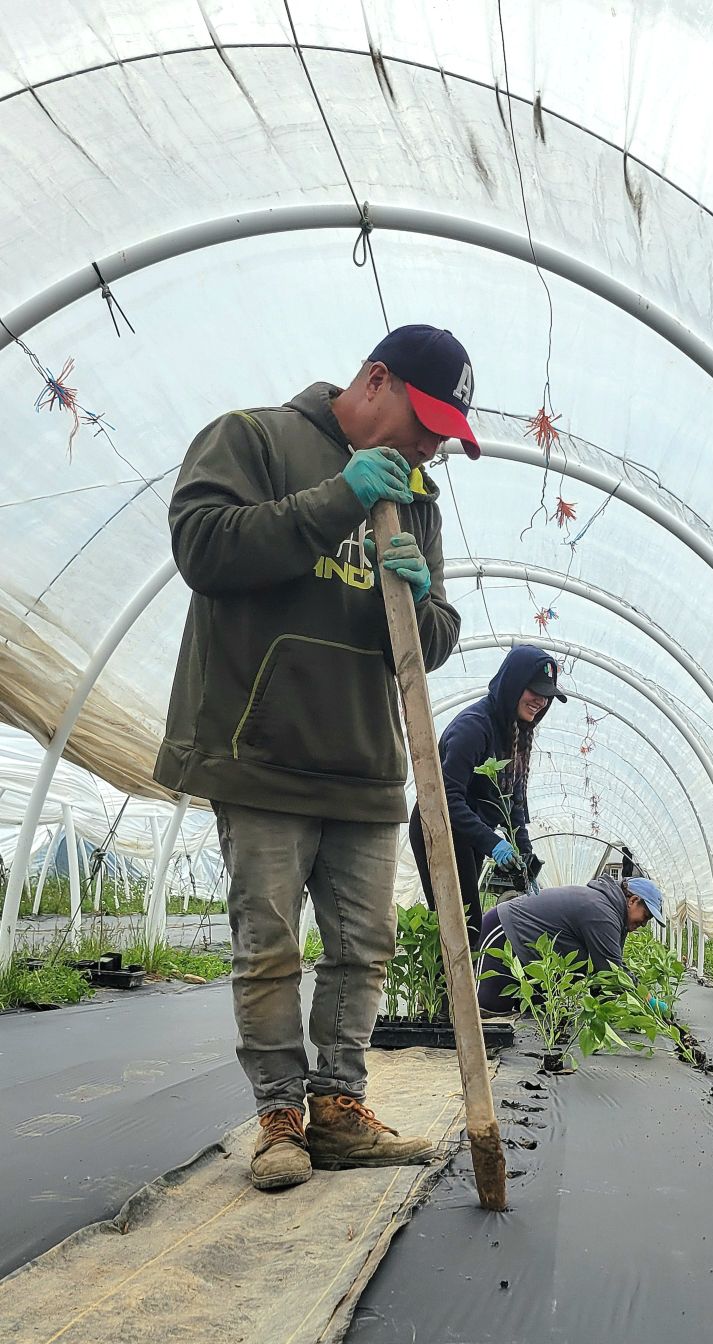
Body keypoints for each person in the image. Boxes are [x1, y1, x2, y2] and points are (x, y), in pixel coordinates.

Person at [154, 324, 479, 1192]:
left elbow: (435, 638)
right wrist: (335, 501)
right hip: (261, 751)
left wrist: (405, 592)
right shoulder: (254, 439)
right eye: (427, 421)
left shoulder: (416, 499)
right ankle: (279, 1120)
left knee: (363, 948)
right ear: (375, 379)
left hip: (367, 763)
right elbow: (205, 549)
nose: (432, 445)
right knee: (268, 947)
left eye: (447, 434)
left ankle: (338, 1110)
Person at [408, 645, 566, 941]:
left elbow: (513, 802)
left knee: (466, 926)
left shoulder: (517, 733)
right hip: (440, 829)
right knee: (460, 924)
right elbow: (446, 801)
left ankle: (460, 987)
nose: (541, 701)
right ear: (514, 684)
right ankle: (446, 988)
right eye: (535, 691)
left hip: (469, 835)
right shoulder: (473, 728)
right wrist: (494, 843)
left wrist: (525, 851)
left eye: (547, 695)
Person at [474, 875, 666, 1014]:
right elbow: (612, 969)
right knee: (487, 1012)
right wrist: (648, 1001)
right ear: (633, 900)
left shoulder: (613, 912)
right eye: (646, 916)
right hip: (504, 931)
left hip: (532, 955)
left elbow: (602, 974)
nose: (644, 923)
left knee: (536, 1014)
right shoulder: (601, 911)